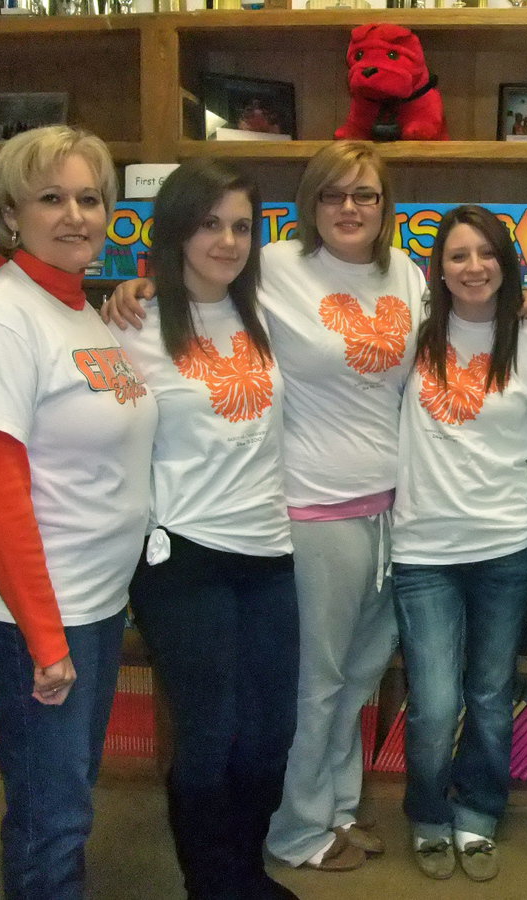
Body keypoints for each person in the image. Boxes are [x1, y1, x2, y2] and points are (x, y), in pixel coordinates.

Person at [105, 140, 426, 873]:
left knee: (353, 681)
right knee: (299, 694)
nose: (350, 208)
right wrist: (134, 288)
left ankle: (334, 809)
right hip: (301, 512)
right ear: (309, 205)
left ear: (386, 205)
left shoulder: (404, 272)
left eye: (366, 195)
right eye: (333, 194)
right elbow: (181, 297)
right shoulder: (274, 266)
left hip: (385, 508)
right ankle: (296, 830)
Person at [0, 125, 157, 899]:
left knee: (68, 792)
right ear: (8, 215)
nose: (76, 215)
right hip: (39, 616)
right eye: (51, 198)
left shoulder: (79, 308)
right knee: (51, 814)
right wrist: (43, 637)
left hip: (90, 603)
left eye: (90, 198)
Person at [109, 159, 299, 900]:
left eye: (242, 225)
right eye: (210, 222)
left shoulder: (264, 311)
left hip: (268, 549)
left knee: (272, 730)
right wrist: (127, 289)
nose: (227, 239)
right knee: (211, 732)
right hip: (182, 553)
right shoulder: (132, 324)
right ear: (178, 229)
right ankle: (212, 886)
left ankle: (241, 870)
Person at [391, 205, 527, 882]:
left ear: (506, 263)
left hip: (505, 545)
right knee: (432, 702)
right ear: (438, 269)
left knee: (490, 692)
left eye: (486, 253)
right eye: (458, 255)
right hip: (423, 549)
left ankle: (481, 809)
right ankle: (429, 810)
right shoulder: (410, 336)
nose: (474, 267)